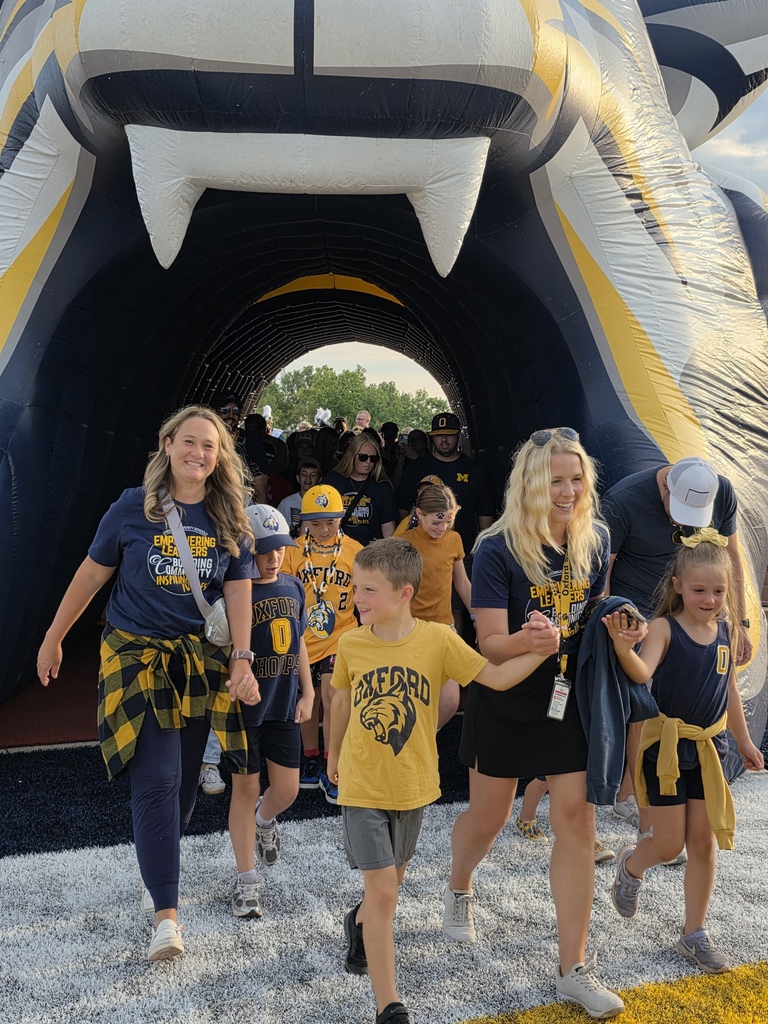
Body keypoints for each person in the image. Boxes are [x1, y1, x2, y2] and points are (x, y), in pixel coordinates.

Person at [36, 405, 259, 962]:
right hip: (135, 657)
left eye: (209, 446)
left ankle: (154, 866)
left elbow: (238, 591)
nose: (198, 453)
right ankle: (167, 916)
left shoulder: (230, 516)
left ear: (219, 457)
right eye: (189, 442)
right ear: (167, 445)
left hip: (197, 661)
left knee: (183, 783)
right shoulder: (131, 510)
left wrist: (242, 657)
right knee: (157, 778)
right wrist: (53, 636)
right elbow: (91, 573)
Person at [327, 538, 560, 1024]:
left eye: (368, 589)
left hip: (413, 786)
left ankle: (360, 922)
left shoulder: (438, 639)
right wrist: (332, 754)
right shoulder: (350, 643)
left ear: (404, 592)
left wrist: (541, 651)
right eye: (355, 586)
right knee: (385, 890)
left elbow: (494, 678)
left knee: (387, 889)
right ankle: (390, 1006)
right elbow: (341, 702)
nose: (357, 597)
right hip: (361, 785)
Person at [444, 427, 629, 1019]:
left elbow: (591, 608)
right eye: (556, 480)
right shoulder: (495, 548)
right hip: (505, 700)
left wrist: (621, 622)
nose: (569, 490)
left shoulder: (596, 538)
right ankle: (459, 884)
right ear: (530, 483)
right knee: (488, 818)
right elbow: (490, 645)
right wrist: (529, 638)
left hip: (566, 698)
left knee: (575, 820)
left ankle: (574, 966)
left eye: (577, 479)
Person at [603, 533, 763, 972]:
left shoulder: (727, 631)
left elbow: (729, 688)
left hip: (710, 747)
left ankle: (694, 933)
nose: (709, 600)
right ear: (676, 585)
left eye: (718, 591)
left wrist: (746, 742)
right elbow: (642, 671)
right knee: (669, 844)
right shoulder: (663, 628)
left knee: (703, 843)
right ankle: (632, 866)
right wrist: (623, 648)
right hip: (668, 751)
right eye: (699, 590)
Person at [602, 456, 752, 839]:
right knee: (641, 700)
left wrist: (742, 623)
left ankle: (682, 787)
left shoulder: (723, 491)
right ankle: (629, 791)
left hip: (696, 609)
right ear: (665, 486)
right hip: (637, 610)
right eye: (679, 510)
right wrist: (608, 624)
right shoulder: (623, 501)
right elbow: (602, 570)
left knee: (695, 690)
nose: (683, 520)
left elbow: (732, 559)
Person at [227, 505, 314, 920]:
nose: (274, 557)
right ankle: (246, 881)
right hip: (245, 708)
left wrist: (309, 690)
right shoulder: (235, 587)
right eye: (264, 550)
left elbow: (299, 643)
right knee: (244, 790)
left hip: (282, 703)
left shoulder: (294, 586)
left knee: (287, 790)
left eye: (279, 548)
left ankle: (265, 821)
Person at [282, 485, 363, 803]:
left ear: (340, 518)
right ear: (305, 521)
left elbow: (366, 596)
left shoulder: (355, 551)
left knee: (333, 696)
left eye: (330, 521)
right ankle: (311, 756)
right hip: (303, 638)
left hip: (340, 636)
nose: (324, 529)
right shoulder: (292, 552)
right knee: (308, 698)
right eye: (316, 523)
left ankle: (333, 763)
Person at [400, 484, 473, 728]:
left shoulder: (454, 540)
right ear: (419, 514)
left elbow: (462, 583)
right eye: (436, 522)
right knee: (411, 698)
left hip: (444, 628)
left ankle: (425, 739)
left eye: (448, 521)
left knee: (450, 701)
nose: (442, 529)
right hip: (410, 630)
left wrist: (478, 617)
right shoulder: (403, 543)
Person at [395, 413, 494, 557]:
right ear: (431, 437)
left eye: (449, 435)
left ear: (458, 435)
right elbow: (402, 507)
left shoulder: (474, 469)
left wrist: (483, 549)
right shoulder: (417, 468)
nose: (444, 440)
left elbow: (485, 511)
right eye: (439, 435)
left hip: (463, 551)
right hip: (422, 552)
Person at [323, 432, 397, 546]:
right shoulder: (332, 481)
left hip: (370, 553)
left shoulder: (382, 487)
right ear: (351, 455)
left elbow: (388, 530)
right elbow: (317, 520)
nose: (368, 462)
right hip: (336, 549)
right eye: (363, 457)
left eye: (373, 458)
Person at [277, 457, 323, 536]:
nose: (308, 478)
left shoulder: (324, 503)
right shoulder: (286, 503)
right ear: (298, 478)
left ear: (319, 479)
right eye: (304, 474)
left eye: (313, 475)